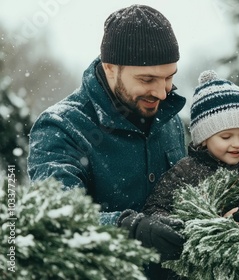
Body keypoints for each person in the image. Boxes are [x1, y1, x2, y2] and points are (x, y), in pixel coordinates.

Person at [27, 4, 185, 279]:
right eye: (147, 79)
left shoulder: (169, 118)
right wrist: (129, 229)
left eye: (169, 77)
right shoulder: (61, 127)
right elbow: (57, 220)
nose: (161, 92)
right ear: (110, 68)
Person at [143, 70, 239, 225]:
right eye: (226, 137)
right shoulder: (185, 172)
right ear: (204, 139)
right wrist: (176, 225)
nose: (237, 144)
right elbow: (155, 207)